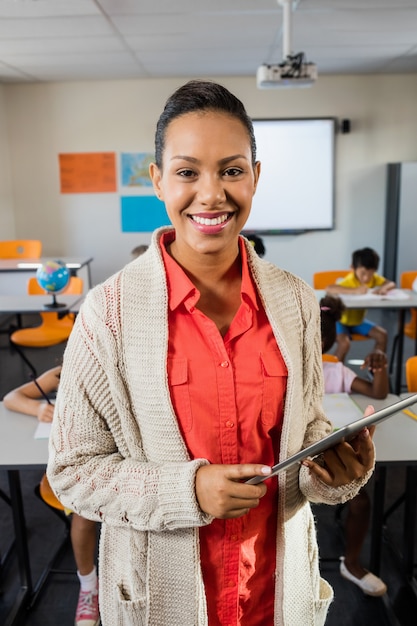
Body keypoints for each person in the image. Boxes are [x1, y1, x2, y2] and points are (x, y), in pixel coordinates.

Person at [47, 80, 376, 626]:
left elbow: (306, 432)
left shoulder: (294, 300)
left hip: (276, 593)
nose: (211, 194)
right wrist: (187, 490)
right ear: (157, 180)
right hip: (161, 598)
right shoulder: (107, 313)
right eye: (186, 172)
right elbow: (73, 473)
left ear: (255, 176)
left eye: (231, 170)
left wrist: (333, 469)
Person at [3, 367, 100, 626]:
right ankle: (89, 587)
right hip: (77, 470)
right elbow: (12, 398)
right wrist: (38, 410)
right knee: (83, 518)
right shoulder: (61, 374)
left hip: (112, 463)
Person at [320, 294, 388, 596]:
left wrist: (380, 368)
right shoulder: (283, 370)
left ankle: (352, 562)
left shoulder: (336, 372)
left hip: (335, 455)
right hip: (292, 456)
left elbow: (377, 394)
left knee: (361, 501)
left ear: (328, 343)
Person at [325, 247, 396, 362]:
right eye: (363, 273)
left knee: (382, 336)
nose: (366, 278)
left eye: (370, 274)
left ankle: (375, 368)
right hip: (341, 321)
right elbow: (329, 288)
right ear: (353, 268)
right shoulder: (350, 280)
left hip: (358, 322)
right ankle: (335, 373)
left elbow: (391, 283)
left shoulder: (373, 279)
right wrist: (355, 291)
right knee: (344, 344)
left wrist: (384, 288)